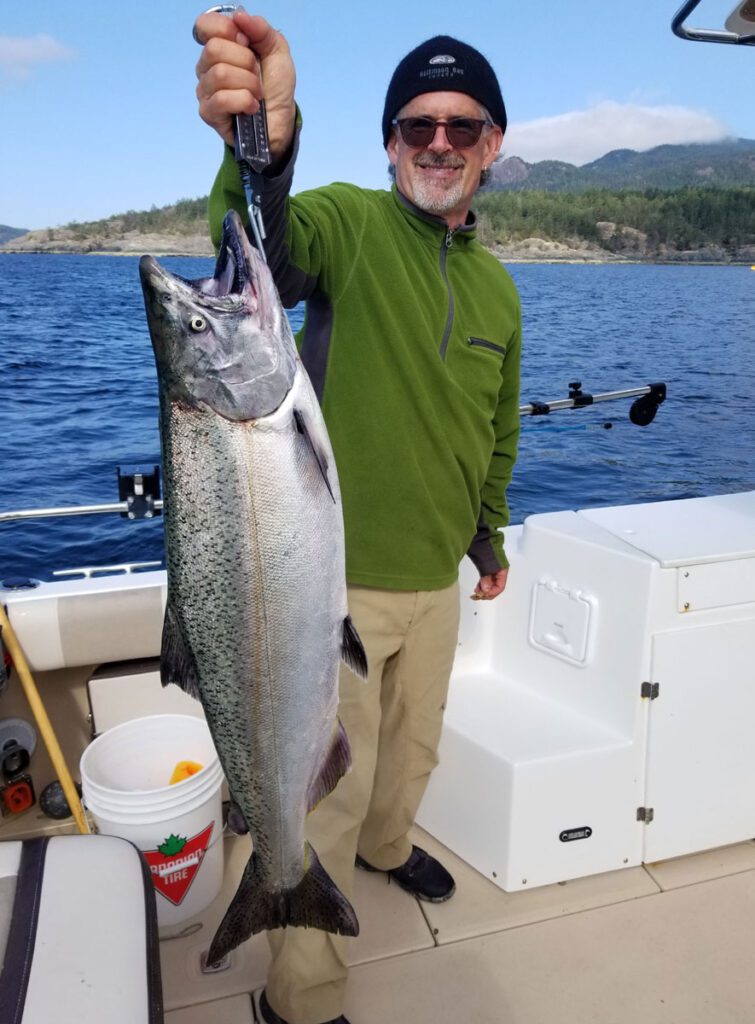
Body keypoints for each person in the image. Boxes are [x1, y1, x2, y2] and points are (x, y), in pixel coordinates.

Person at [193, 11, 522, 1024]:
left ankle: (389, 850)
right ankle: (300, 996)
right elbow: (261, 248)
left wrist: (487, 535)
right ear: (388, 143)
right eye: (414, 125)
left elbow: (494, 427)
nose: (436, 142)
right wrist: (262, 143)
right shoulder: (348, 223)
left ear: (491, 146)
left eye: (460, 127)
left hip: (438, 576)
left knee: (411, 752)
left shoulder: (500, 292)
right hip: (332, 583)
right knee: (319, 796)